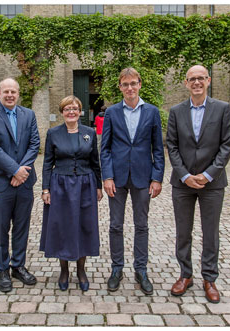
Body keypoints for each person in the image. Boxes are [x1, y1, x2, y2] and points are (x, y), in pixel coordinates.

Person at [166, 65, 230, 303]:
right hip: (182, 183)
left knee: (210, 232)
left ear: (208, 81)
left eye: (200, 79)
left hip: (212, 184)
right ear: (186, 83)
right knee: (183, 232)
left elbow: (227, 145)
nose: (196, 82)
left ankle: (209, 278)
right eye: (192, 79)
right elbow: (171, 146)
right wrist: (185, 175)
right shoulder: (176, 111)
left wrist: (208, 174)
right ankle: (185, 275)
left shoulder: (223, 109)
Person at [100, 67, 165, 295]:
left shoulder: (152, 112)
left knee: (142, 225)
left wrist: (157, 178)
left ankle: (141, 269)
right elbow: (105, 148)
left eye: (133, 83)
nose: (130, 88)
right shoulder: (112, 112)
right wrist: (106, 176)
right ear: (120, 87)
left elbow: (158, 148)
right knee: (115, 225)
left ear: (139, 85)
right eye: (125, 84)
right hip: (116, 178)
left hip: (142, 177)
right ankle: (117, 268)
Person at [0, 78, 40, 293]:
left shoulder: (28, 115)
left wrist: (21, 171)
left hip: (24, 181)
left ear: (18, 93)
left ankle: (18, 266)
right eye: (6, 91)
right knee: (1, 227)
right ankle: (3, 269)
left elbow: (35, 144)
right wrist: (15, 170)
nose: (10, 95)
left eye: (13, 91)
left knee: (22, 226)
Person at [40, 95, 103, 292]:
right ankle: (64, 270)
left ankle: (81, 270)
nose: (71, 112)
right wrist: (45, 188)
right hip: (60, 185)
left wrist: (99, 186)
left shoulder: (89, 133)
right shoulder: (53, 133)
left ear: (80, 111)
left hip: (85, 185)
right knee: (62, 227)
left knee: (84, 226)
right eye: (67, 109)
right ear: (62, 112)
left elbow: (95, 161)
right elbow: (47, 163)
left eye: (75, 108)